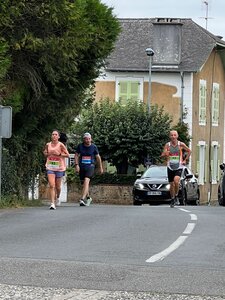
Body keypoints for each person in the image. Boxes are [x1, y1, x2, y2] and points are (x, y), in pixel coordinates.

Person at [161, 130, 191, 208]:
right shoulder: (167, 145)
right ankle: (173, 198)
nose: (173, 137)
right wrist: (165, 153)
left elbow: (189, 151)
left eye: (175, 135)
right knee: (171, 184)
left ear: (177, 136)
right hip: (170, 166)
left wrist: (185, 160)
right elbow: (162, 154)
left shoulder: (181, 144)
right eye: (172, 135)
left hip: (179, 166)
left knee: (176, 181)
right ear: (170, 136)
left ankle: (177, 195)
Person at [74, 132, 103, 206]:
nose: (88, 140)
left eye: (89, 139)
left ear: (91, 139)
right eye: (86, 139)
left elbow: (98, 157)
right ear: (84, 139)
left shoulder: (94, 147)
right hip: (82, 166)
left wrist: (100, 167)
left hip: (90, 166)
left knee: (87, 180)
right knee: (84, 183)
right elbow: (76, 155)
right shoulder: (80, 146)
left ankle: (82, 199)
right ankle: (88, 197)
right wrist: (76, 165)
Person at [43, 130, 70, 210]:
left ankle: (57, 197)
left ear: (58, 137)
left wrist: (59, 154)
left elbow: (67, 155)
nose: (54, 136)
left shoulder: (61, 145)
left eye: (56, 134)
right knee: (52, 185)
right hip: (50, 167)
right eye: (53, 134)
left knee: (58, 187)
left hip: (59, 168)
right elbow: (45, 152)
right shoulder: (48, 144)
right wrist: (46, 153)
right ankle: (52, 203)